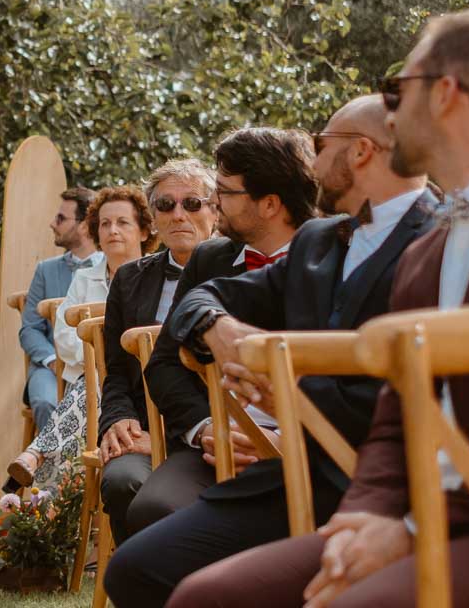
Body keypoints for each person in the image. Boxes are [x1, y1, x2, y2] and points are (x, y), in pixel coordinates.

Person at [168, 8, 469, 607]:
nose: (391, 109)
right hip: (390, 503)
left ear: (445, 94)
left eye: (401, 90)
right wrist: (363, 519)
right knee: (201, 596)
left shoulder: (422, 243)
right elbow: (399, 419)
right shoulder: (437, 250)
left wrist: (409, 530)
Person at [106, 95, 436, 605]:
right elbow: (199, 300)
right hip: (283, 469)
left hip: (375, 474)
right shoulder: (321, 242)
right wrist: (218, 327)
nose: (312, 157)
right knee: (133, 568)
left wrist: (281, 399)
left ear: (363, 152)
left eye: (322, 144)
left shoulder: (439, 237)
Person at [137, 125, 318, 534]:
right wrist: (207, 430)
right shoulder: (209, 259)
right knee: (152, 510)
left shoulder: (334, 257)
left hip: (307, 447)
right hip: (214, 446)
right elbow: (163, 365)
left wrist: (287, 437)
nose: (214, 202)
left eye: (225, 192)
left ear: (270, 204)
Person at [98, 159, 219, 542]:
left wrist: (172, 437)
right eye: (165, 205)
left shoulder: (241, 271)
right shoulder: (129, 280)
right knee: (121, 480)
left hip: (215, 429)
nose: (178, 214)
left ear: (216, 210)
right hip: (142, 429)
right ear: (153, 217)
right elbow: (116, 371)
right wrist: (117, 419)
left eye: (193, 203)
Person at [6, 185, 153, 490]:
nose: (113, 231)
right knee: (98, 380)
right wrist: (102, 360)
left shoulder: (156, 277)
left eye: (123, 222)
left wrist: (106, 359)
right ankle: (46, 504)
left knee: (102, 380)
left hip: (139, 386)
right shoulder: (84, 278)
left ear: (143, 231)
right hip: (88, 381)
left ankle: (39, 468)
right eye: (105, 223)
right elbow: (64, 336)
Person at [21, 187, 99, 431]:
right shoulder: (46, 270)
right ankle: (58, 469)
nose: (52, 224)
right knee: (45, 402)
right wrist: (52, 360)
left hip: (96, 367)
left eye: (61, 218)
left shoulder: (111, 269)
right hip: (50, 366)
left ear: (85, 225)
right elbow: (30, 329)